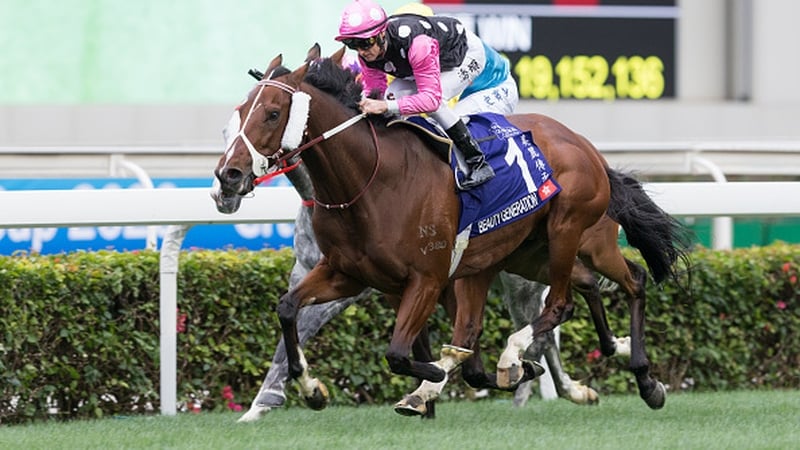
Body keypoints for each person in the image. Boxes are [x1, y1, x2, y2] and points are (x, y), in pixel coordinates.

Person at [334, 0, 519, 190]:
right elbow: (377, 93)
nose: (362, 51)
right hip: (433, 60)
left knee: (436, 107)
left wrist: (385, 107)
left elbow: (430, 100)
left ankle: (477, 162)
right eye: (352, 44)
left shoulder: (418, 44)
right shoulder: (366, 55)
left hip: (466, 57)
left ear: (382, 34)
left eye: (365, 42)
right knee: (390, 96)